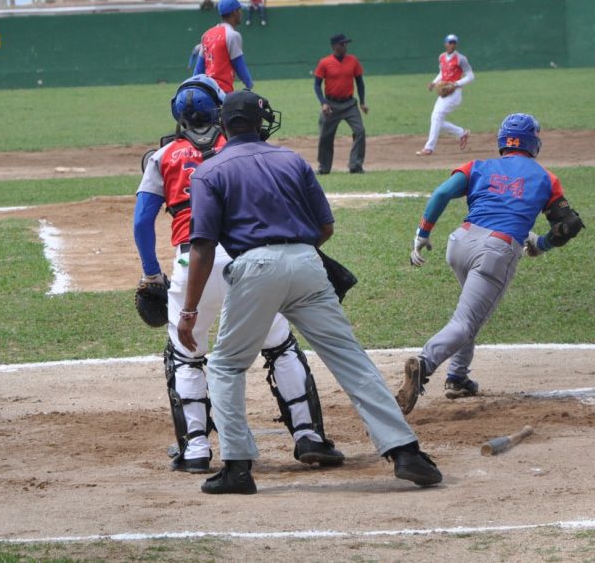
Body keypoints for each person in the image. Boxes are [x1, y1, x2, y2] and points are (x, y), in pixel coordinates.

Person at [177, 90, 443, 494]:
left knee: (227, 366)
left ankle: (237, 467)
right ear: (261, 123)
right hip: (307, 262)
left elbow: (201, 246)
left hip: (254, 267)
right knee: (350, 359)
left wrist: (189, 310)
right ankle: (405, 451)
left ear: (224, 125)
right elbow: (325, 228)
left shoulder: (209, 171)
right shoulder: (292, 160)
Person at [133, 76, 345, 475]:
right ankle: (308, 435)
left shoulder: (162, 158)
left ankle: (196, 448)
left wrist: (150, 275)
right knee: (279, 345)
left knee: (186, 356)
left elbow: (142, 222)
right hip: (248, 262)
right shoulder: (239, 150)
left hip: (190, 264)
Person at [397, 113, 585, 413]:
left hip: (460, 242)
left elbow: (442, 192)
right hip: (496, 251)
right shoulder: (545, 177)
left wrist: (422, 233)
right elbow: (569, 225)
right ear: (534, 142)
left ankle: (457, 378)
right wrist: (542, 244)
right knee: (465, 321)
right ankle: (424, 363)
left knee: (468, 313)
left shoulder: (478, 166)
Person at [314, 33, 368, 174]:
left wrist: (362, 102)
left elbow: (360, 82)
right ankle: (324, 168)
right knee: (326, 136)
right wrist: (323, 103)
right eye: (342, 44)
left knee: (360, 131)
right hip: (331, 105)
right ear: (334, 46)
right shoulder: (325, 62)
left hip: (350, 104)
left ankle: (355, 165)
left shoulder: (353, 60)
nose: (345, 46)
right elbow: (317, 85)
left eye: (346, 43)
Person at [416, 34, 475, 156]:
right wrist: (434, 82)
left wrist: (456, 84)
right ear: (445, 43)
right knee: (436, 119)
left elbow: (471, 76)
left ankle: (429, 148)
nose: (452, 44)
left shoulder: (461, 59)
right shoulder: (442, 57)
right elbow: (442, 74)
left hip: (454, 93)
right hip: (444, 92)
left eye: (454, 42)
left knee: (436, 117)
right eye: (450, 42)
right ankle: (462, 133)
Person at [194, 0, 253, 93]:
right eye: (240, 10)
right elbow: (239, 64)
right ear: (235, 12)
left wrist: (195, 87)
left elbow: (199, 68)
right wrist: (249, 84)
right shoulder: (233, 35)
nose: (241, 13)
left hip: (206, 91)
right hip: (223, 92)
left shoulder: (207, 34)